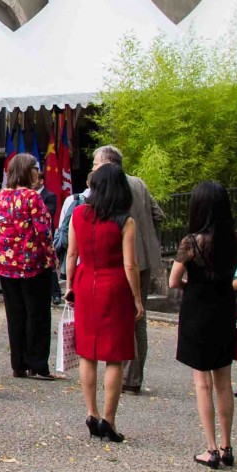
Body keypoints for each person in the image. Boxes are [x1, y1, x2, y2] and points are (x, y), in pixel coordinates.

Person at [54, 146, 162, 390]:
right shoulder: (139, 184)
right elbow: (158, 214)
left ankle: (116, 382)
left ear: (105, 164)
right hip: (139, 260)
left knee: (94, 338)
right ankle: (133, 378)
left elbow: (72, 251)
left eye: (94, 163)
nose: (92, 167)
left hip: (104, 266)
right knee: (137, 322)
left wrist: (69, 283)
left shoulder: (94, 198)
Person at [170, 181, 237, 468]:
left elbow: (173, 280)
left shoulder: (191, 242)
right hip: (225, 305)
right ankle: (228, 446)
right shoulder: (236, 238)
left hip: (198, 306)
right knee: (224, 381)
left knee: (202, 382)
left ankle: (211, 447)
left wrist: (192, 282)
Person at [69, 162, 141, 441]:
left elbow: (72, 254)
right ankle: (109, 419)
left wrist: (71, 285)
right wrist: (137, 298)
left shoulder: (78, 214)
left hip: (86, 281)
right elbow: (130, 264)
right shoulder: (125, 221)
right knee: (114, 355)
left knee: (87, 351)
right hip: (114, 285)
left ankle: (92, 412)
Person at [0, 152, 57, 378]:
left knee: (15, 314)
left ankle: (18, 363)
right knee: (37, 314)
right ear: (28, 171)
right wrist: (52, 258)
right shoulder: (31, 197)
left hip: (6, 264)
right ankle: (37, 363)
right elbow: (43, 232)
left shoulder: (0, 195)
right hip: (32, 264)